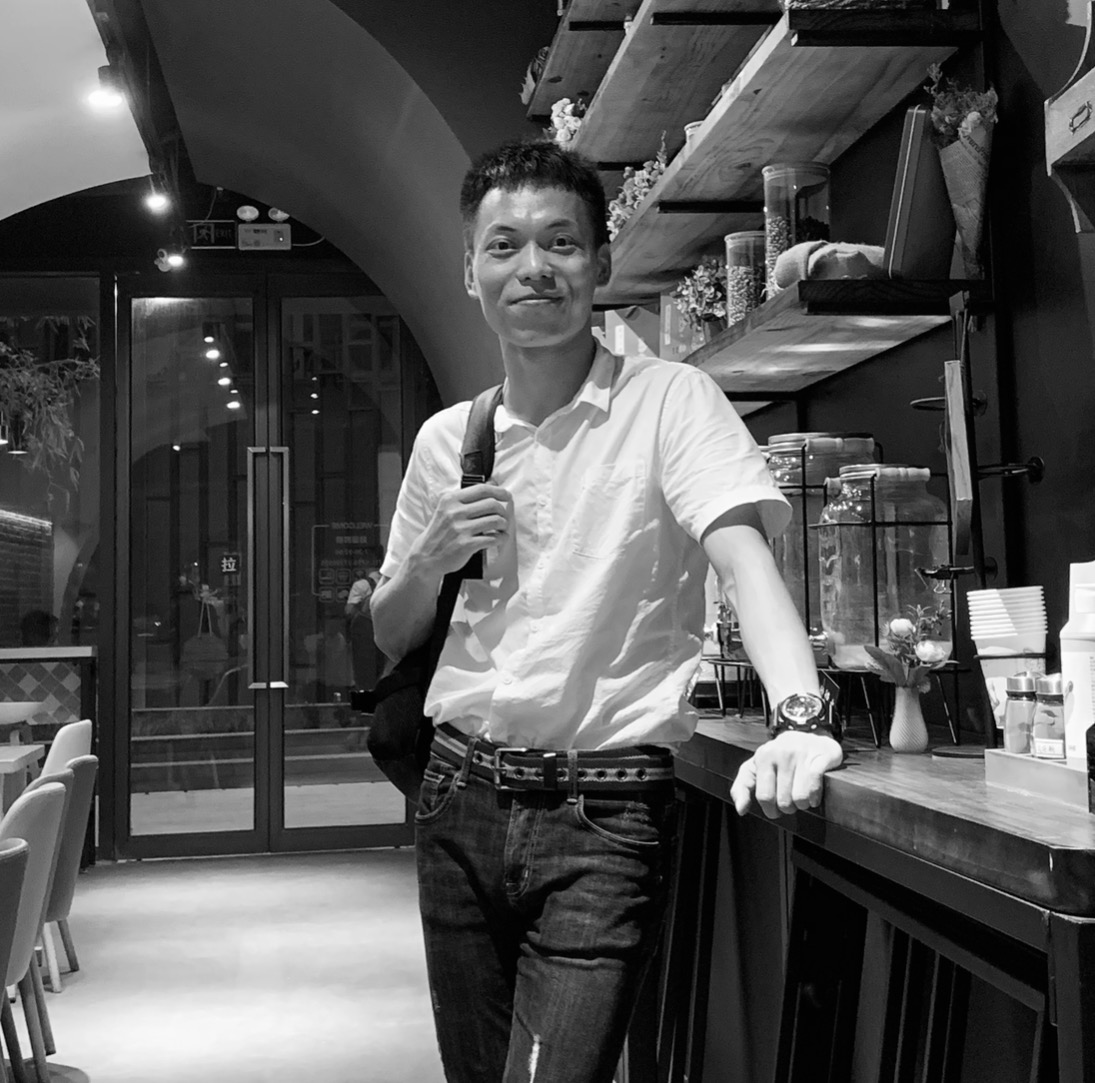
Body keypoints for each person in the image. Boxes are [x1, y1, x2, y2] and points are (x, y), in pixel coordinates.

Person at [370, 140, 843, 1083]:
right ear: (469, 269)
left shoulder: (669, 399)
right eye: (503, 245)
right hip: (456, 797)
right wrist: (426, 558)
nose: (532, 267)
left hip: (607, 808)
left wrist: (800, 717)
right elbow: (392, 632)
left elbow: (744, 561)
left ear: (600, 263)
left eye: (560, 242)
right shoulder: (446, 441)